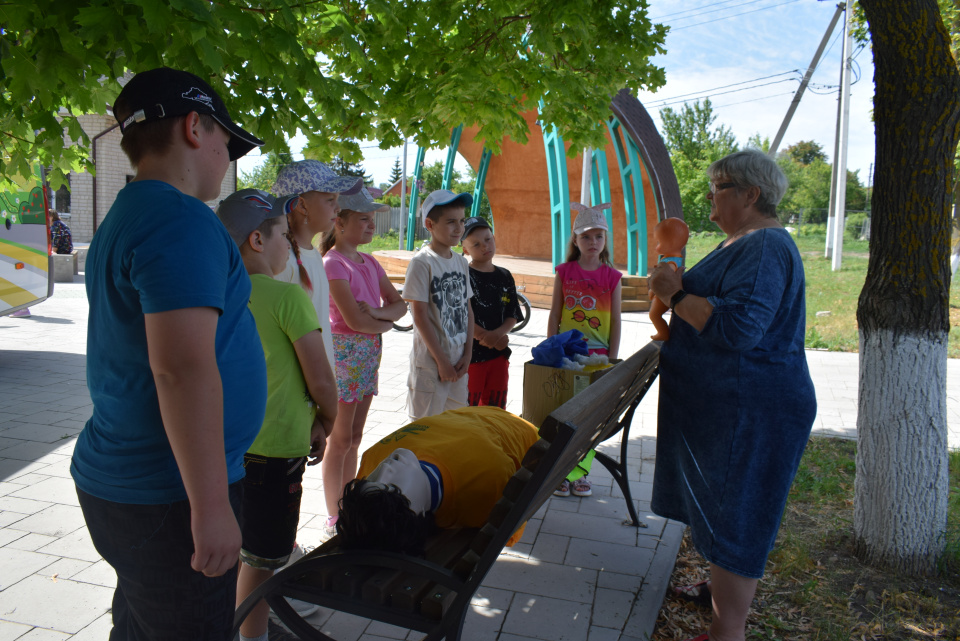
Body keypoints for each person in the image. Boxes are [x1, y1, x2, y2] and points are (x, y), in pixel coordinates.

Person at [70, 67, 266, 640]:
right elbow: (180, 369)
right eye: (227, 144)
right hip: (169, 497)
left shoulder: (131, 211)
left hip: (138, 488)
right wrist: (210, 508)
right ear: (193, 126)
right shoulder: (179, 218)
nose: (228, 161)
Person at [646, 149, 816, 641]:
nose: (709, 197)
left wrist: (676, 295)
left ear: (750, 193)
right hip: (736, 409)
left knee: (738, 515)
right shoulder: (744, 242)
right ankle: (723, 598)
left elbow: (741, 327)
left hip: (752, 411)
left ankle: (728, 632)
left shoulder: (764, 246)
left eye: (718, 187)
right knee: (726, 511)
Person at [216, 189, 338, 641]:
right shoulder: (287, 297)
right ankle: (253, 636)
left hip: (225, 448)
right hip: (276, 450)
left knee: (229, 548)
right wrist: (328, 419)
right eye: (283, 235)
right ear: (256, 241)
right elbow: (321, 379)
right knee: (263, 560)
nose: (290, 244)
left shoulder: (215, 295)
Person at [318, 187, 406, 539]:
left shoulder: (369, 262)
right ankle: (332, 514)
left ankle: (347, 504)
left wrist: (381, 315)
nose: (371, 225)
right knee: (338, 440)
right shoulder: (333, 264)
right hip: (345, 356)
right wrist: (386, 320)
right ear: (339, 223)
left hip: (368, 355)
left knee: (354, 437)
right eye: (363, 219)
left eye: (373, 219)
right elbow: (354, 321)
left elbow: (400, 305)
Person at [337, 406, 540, 554]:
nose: (385, 469)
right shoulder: (490, 483)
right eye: (390, 486)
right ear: (416, 513)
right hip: (513, 426)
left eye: (369, 480)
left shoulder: (372, 459)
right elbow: (509, 530)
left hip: (480, 415)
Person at [546, 201, 623, 498]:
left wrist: (612, 358)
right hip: (565, 353)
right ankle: (559, 473)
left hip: (596, 357)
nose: (593, 242)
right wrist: (550, 346)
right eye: (587, 236)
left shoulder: (612, 277)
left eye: (599, 236)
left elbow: (615, 320)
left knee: (589, 418)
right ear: (575, 240)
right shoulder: (564, 272)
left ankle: (580, 471)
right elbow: (555, 313)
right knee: (563, 413)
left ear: (605, 241)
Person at [272, 159, 363, 374]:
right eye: (330, 199)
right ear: (302, 205)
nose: (338, 208)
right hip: (297, 385)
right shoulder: (281, 260)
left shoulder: (311, 254)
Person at [403, 189, 475, 420]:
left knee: (454, 428)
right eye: (450, 222)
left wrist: (468, 353)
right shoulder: (422, 262)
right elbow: (420, 316)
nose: (459, 228)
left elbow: (468, 310)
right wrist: (442, 362)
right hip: (431, 364)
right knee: (425, 429)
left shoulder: (461, 263)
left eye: (462, 221)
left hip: (458, 360)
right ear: (429, 224)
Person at [460, 216, 522, 409]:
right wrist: (485, 336)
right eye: (476, 244)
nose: (484, 246)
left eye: (488, 239)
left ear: (494, 238)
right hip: (471, 357)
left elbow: (512, 313)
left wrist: (497, 335)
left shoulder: (505, 275)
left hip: (498, 355)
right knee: (468, 409)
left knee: (495, 408)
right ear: (465, 249)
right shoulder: (463, 275)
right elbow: (461, 315)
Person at [649, 217, 689, 341]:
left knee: (654, 314)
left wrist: (653, 290)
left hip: (663, 295)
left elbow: (664, 281)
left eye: (659, 243)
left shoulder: (671, 262)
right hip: (662, 294)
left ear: (670, 244)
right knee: (654, 314)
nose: (656, 247)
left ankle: (663, 333)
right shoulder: (671, 258)